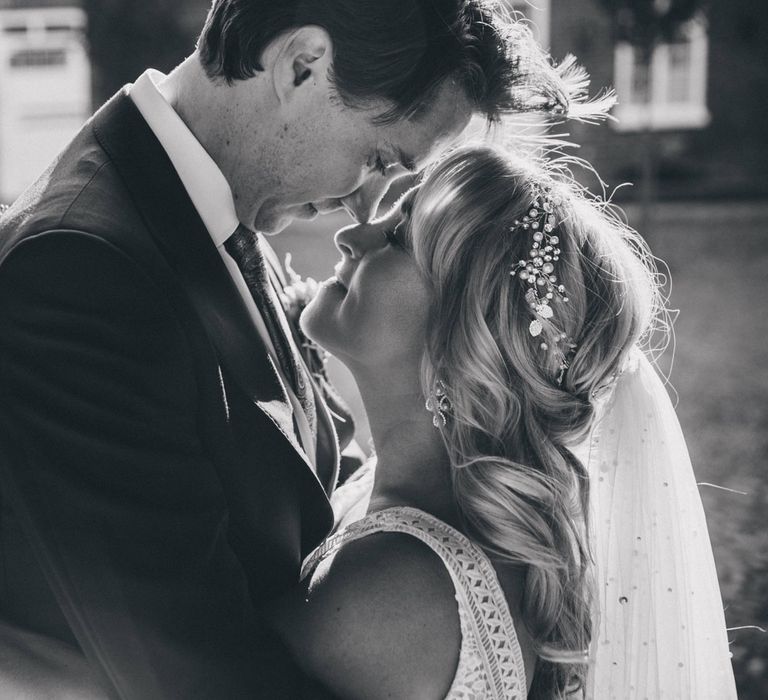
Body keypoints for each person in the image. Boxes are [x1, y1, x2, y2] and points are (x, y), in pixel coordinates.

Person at [0, 1, 590, 698]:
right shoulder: (83, 268)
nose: (364, 206)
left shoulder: (205, 223)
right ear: (302, 65)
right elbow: (188, 675)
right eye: (377, 157)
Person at [260, 145, 737, 698]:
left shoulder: (392, 594)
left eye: (397, 238)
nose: (350, 236)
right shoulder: (427, 516)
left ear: (462, 336)